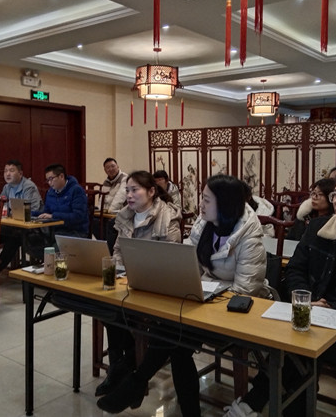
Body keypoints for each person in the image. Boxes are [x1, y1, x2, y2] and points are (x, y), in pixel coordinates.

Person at [224, 167, 336, 417]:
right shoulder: (318, 229)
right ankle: (269, 406)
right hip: (308, 312)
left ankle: (252, 403)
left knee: (298, 350)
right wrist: (304, 299)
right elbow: (295, 270)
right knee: (282, 339)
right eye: (335, 194)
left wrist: (333, 308)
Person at [98, 174, 270, 416]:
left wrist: (202, 296)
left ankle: (136, 382)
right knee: (175, 340)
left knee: (174, 335)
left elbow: (245, 290)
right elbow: (187, 261)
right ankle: (151, 390)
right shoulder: (204, 223)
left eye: (207, 200)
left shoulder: (249, 234)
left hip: (237, 310)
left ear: (225, 204)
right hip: (205, 298)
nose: (200, 204)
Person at [95, 171, 182, 405]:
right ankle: (121, 365)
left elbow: (169, 260)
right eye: (127, 190)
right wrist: (120, 271)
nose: (129, 195)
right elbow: (118, 251)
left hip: (156, 287)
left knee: (120, 313)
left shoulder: (167, 218)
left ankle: (123, 367)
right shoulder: (125, 216)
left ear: (151, 191)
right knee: (107, 309)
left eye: (135, 190)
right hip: (129, 282)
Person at [0, 159, 42, 271]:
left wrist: (11, 213)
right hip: (15, 225)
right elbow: (1, 206)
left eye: (11, 171)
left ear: (20, 173)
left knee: (14, 238)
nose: (7, 174)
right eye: (5, 171)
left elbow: (32, 209)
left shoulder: (29, 187)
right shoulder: (7, 187)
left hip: (32, 228)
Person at [32, 164, 89, 249]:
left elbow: (78, 216)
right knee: (31, 241)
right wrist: (29, 213)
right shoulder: (50, 192)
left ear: (61, 176)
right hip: (55, 232)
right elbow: (46, 212)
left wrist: (53, 216)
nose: (49, 183)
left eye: (51, 179)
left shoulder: (76, 190)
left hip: (75, 232)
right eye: (47, 180)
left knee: (51, 250)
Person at [98, 158, 127, 252]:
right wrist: (99, 211)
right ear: (105, 170)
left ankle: (110, 251)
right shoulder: (106, 182)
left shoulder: (125, 178)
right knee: (94, 221)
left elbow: (120, 198)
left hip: (120, 212)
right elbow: (102, 199)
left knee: (110, 223)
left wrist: (109, 212)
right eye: (107, 167)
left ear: (118, 166)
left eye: (113, 166)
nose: (111, 169)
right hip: (107, 213)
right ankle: (103, 246)